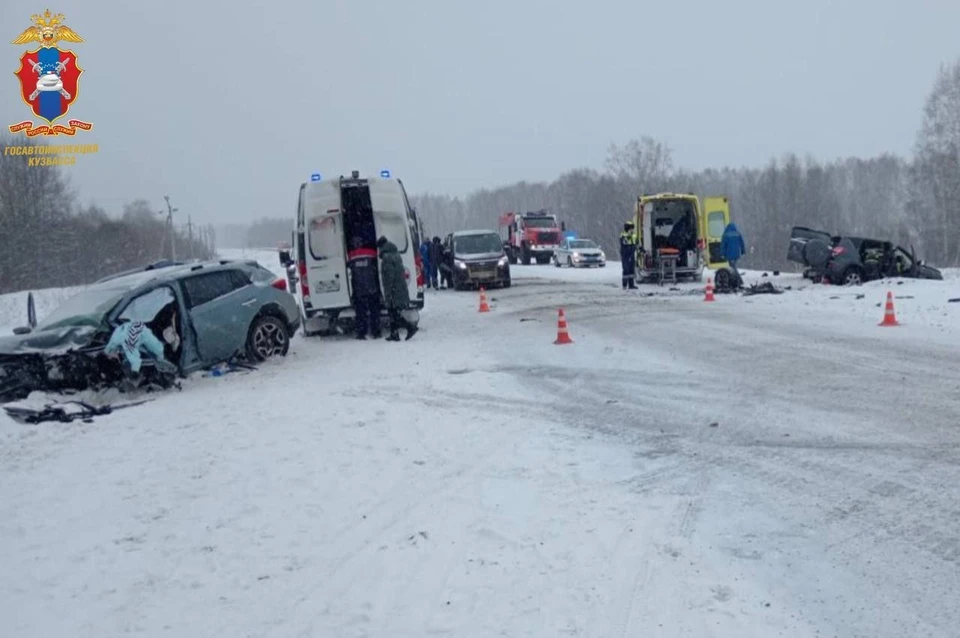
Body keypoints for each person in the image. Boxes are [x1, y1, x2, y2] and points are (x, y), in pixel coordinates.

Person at [377, 236, 419, 341]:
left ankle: (410, 328)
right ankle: (394, 334)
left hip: (394, 290)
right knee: (393, 313)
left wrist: (388, 293)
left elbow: (389, 277)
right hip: (400, 288)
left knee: (393, 313)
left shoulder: (387, 258)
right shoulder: (396, 254)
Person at [347, 236, 382, 339]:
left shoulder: (350, 256)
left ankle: (362, 332)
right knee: (374, 310)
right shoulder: (371, 253)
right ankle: (376, 331)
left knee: (361, 312)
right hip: (372, 286)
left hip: (359, 288)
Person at [720, 221, 746, 288]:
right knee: (733, 267)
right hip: (737, 254)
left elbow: (723, 245)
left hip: (729, 254)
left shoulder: (726, 234)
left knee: (733, 268)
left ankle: (739, 281)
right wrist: (743, 251)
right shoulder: (738, 233)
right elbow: (742, 243)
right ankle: (736, 281)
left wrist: (722, 254)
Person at [619, 221, 638, 289]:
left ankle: (631, 284)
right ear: (627, 228)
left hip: (632, 254)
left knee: (631, 270)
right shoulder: (623, 235)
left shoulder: (634, 235)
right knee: (626, 270)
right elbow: (624, 243)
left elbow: (636, 243)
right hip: (625, 255)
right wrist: (629, 236)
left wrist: (640, 249)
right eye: (631, 228)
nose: (632, 230)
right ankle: (624, 285)